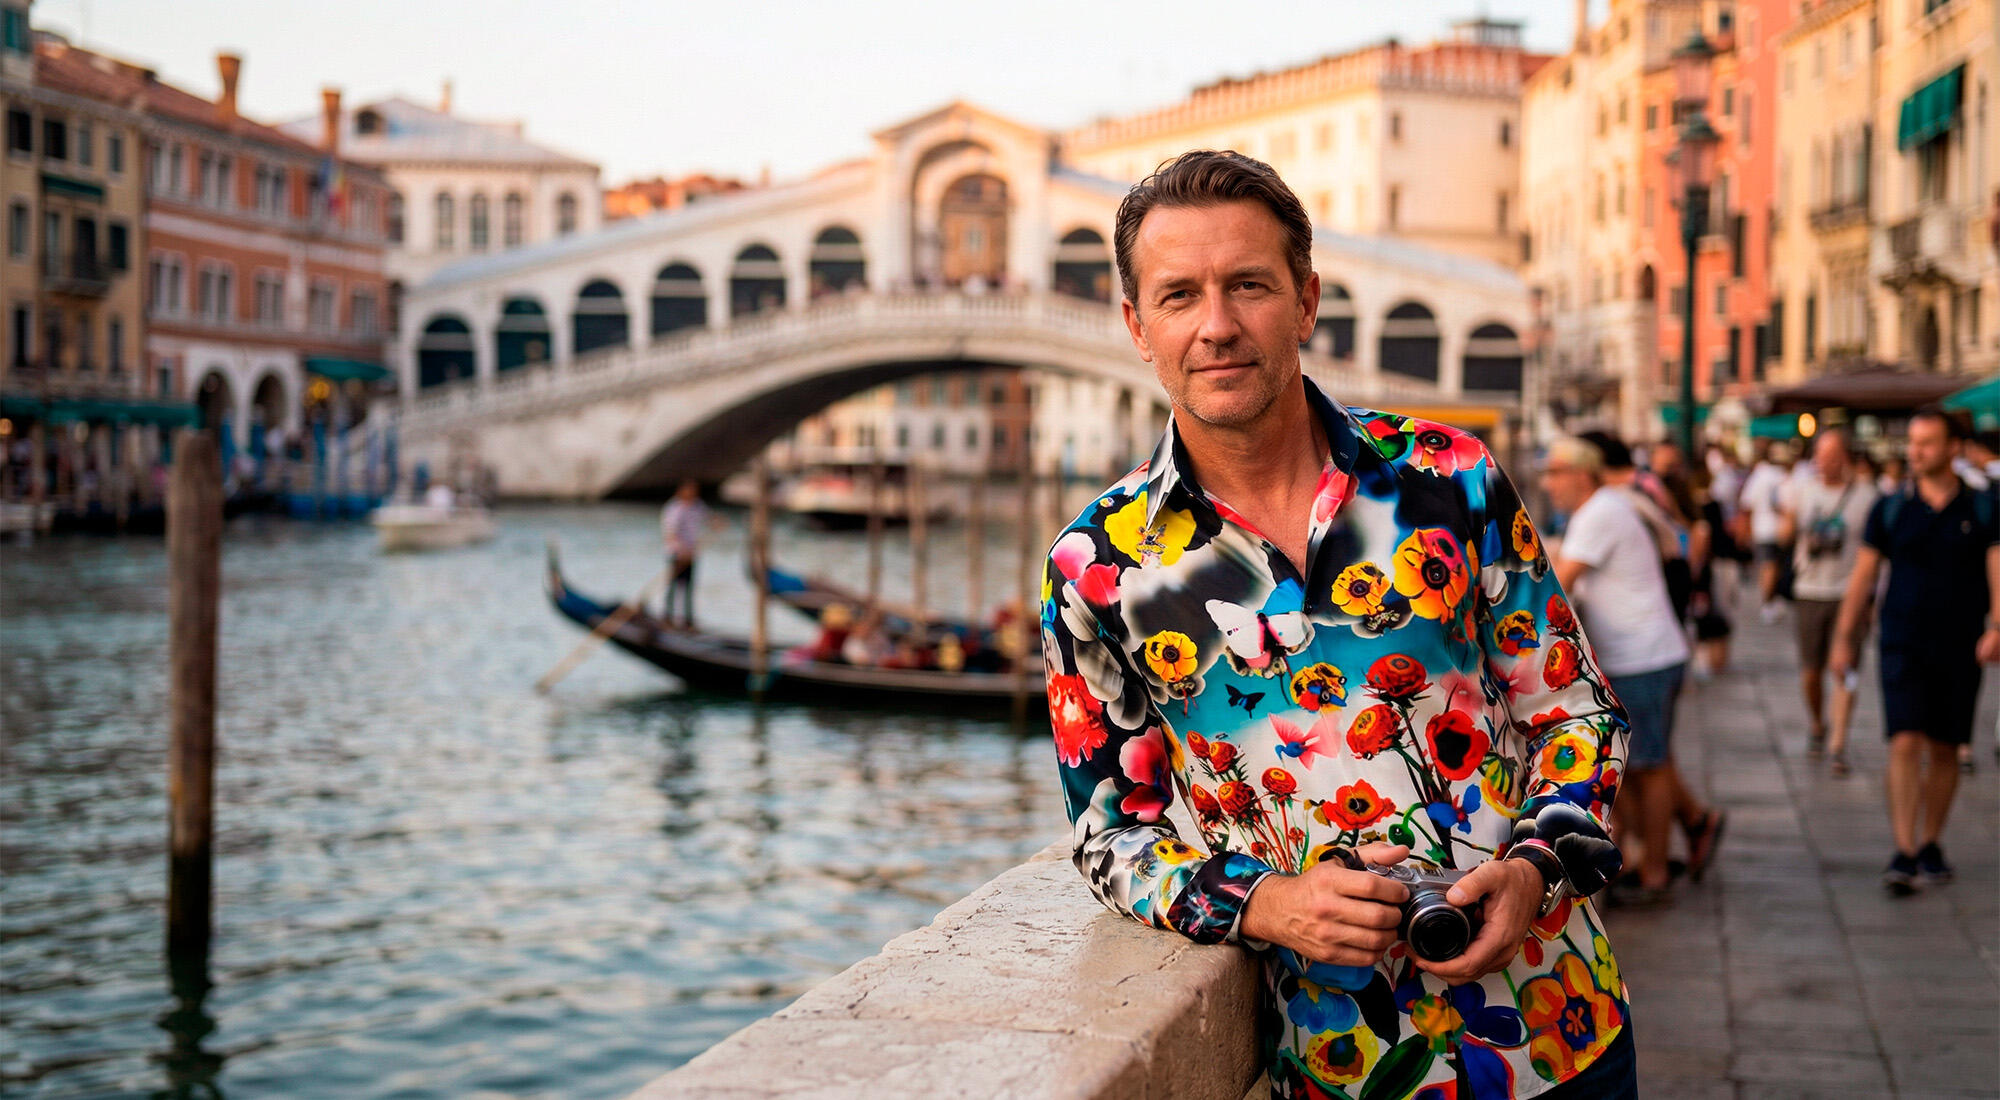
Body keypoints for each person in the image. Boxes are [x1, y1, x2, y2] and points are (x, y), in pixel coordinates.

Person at [1043, 151, 1637, 1099]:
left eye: (1249, 286)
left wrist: (1532, 872)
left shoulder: (1451, 475)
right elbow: (1113, 835)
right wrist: (1268, 906)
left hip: (1559, 1036)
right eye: (1179, 296)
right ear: (1136, 326)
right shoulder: (1095, 569)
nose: (1218, 326)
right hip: (1335, 1070)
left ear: (1307, 301)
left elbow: (1576, 713)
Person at [1543, 435, 1724, 907]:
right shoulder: (1601, 509)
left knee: (1649, 767)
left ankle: (1657, 872)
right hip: (1645, 652)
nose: (1547, 482)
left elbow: (1558, 586)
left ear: (1583, 474)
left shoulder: (1599, 512)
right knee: (1642, 765)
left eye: (1555, 471)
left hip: (1643, 656)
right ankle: (1655, 856)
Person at [1831, 407, 2000, 895]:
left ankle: (1931, 841)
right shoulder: (1892, 508)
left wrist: (1995, 626)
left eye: (1927, 443)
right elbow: (1862, 576)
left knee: (1945, 746)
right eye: (1913, 442)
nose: (1916, 451)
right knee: (1904, 741)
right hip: (1900, 642)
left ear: (1953, 449)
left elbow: (1996, 568)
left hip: (1960, 644)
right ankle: (1904, 849)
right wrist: (1844, 638)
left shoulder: (1983, 507)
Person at [1782, 430, 1878, 776]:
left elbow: (1876, 554)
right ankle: (1818, 724)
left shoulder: (1868, 496)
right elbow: (1784, 534)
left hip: (1848, 594)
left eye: (1832, 455)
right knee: (1811, 670)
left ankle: (1838, 741)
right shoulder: (1802, 490)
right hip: (1809, 590)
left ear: (1846, 457)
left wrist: (1872, 599)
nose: (1825, 462)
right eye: (1820, 455)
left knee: (1846, 668)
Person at [1740, 440, 1795, 620]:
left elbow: (1746, 503)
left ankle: (1768, 601)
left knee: (1768, 566)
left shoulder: (1760, 476)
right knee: (1771, 566)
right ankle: (1768, 601)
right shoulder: (1779, 476)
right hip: (1776, 529)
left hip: (1763, 529)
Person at [660, 480, 708, 628]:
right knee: (673, 586)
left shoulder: (698, 506)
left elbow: (708, 518)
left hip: (691, 554)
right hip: (677, 554)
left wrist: (718, 522)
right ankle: (667, 616)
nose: (693, 494)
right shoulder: (674, 509)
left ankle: (688, 620)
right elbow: (670, 534)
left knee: (689, 587)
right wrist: (682, 551)